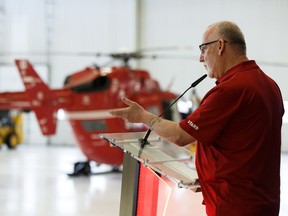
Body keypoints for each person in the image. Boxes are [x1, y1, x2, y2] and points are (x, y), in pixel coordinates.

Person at [110, 21, 284, 216]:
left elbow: (181, 136)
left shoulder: (230, 89)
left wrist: (142, 116)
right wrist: (209, 177)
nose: (201, 58)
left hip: (234, 205)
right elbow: (246, 146)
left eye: (203, 49)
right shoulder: (270, 85)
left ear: (220, 46)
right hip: (262, 201)